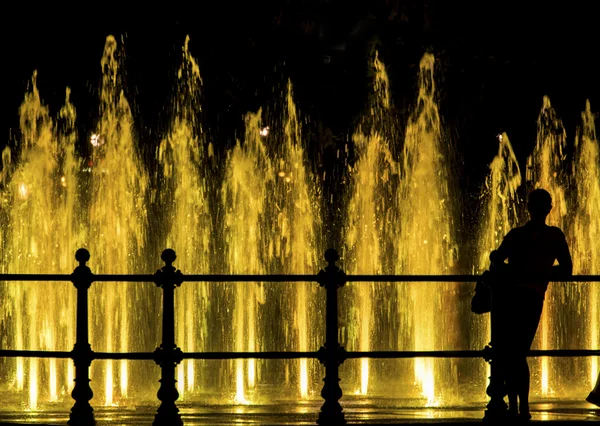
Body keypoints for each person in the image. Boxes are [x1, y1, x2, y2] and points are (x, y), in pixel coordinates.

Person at [488, 188, 573, 420]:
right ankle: (521, 408)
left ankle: (516, 406)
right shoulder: (554, 236)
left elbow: (496, 257)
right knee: (518, 352)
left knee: (511, 353)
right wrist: (541, 272)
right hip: (532, 297)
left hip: (510, 298)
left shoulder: (517, 234)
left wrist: (516, 270)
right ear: (549, 208)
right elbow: (567, 270)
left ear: (528, 207)